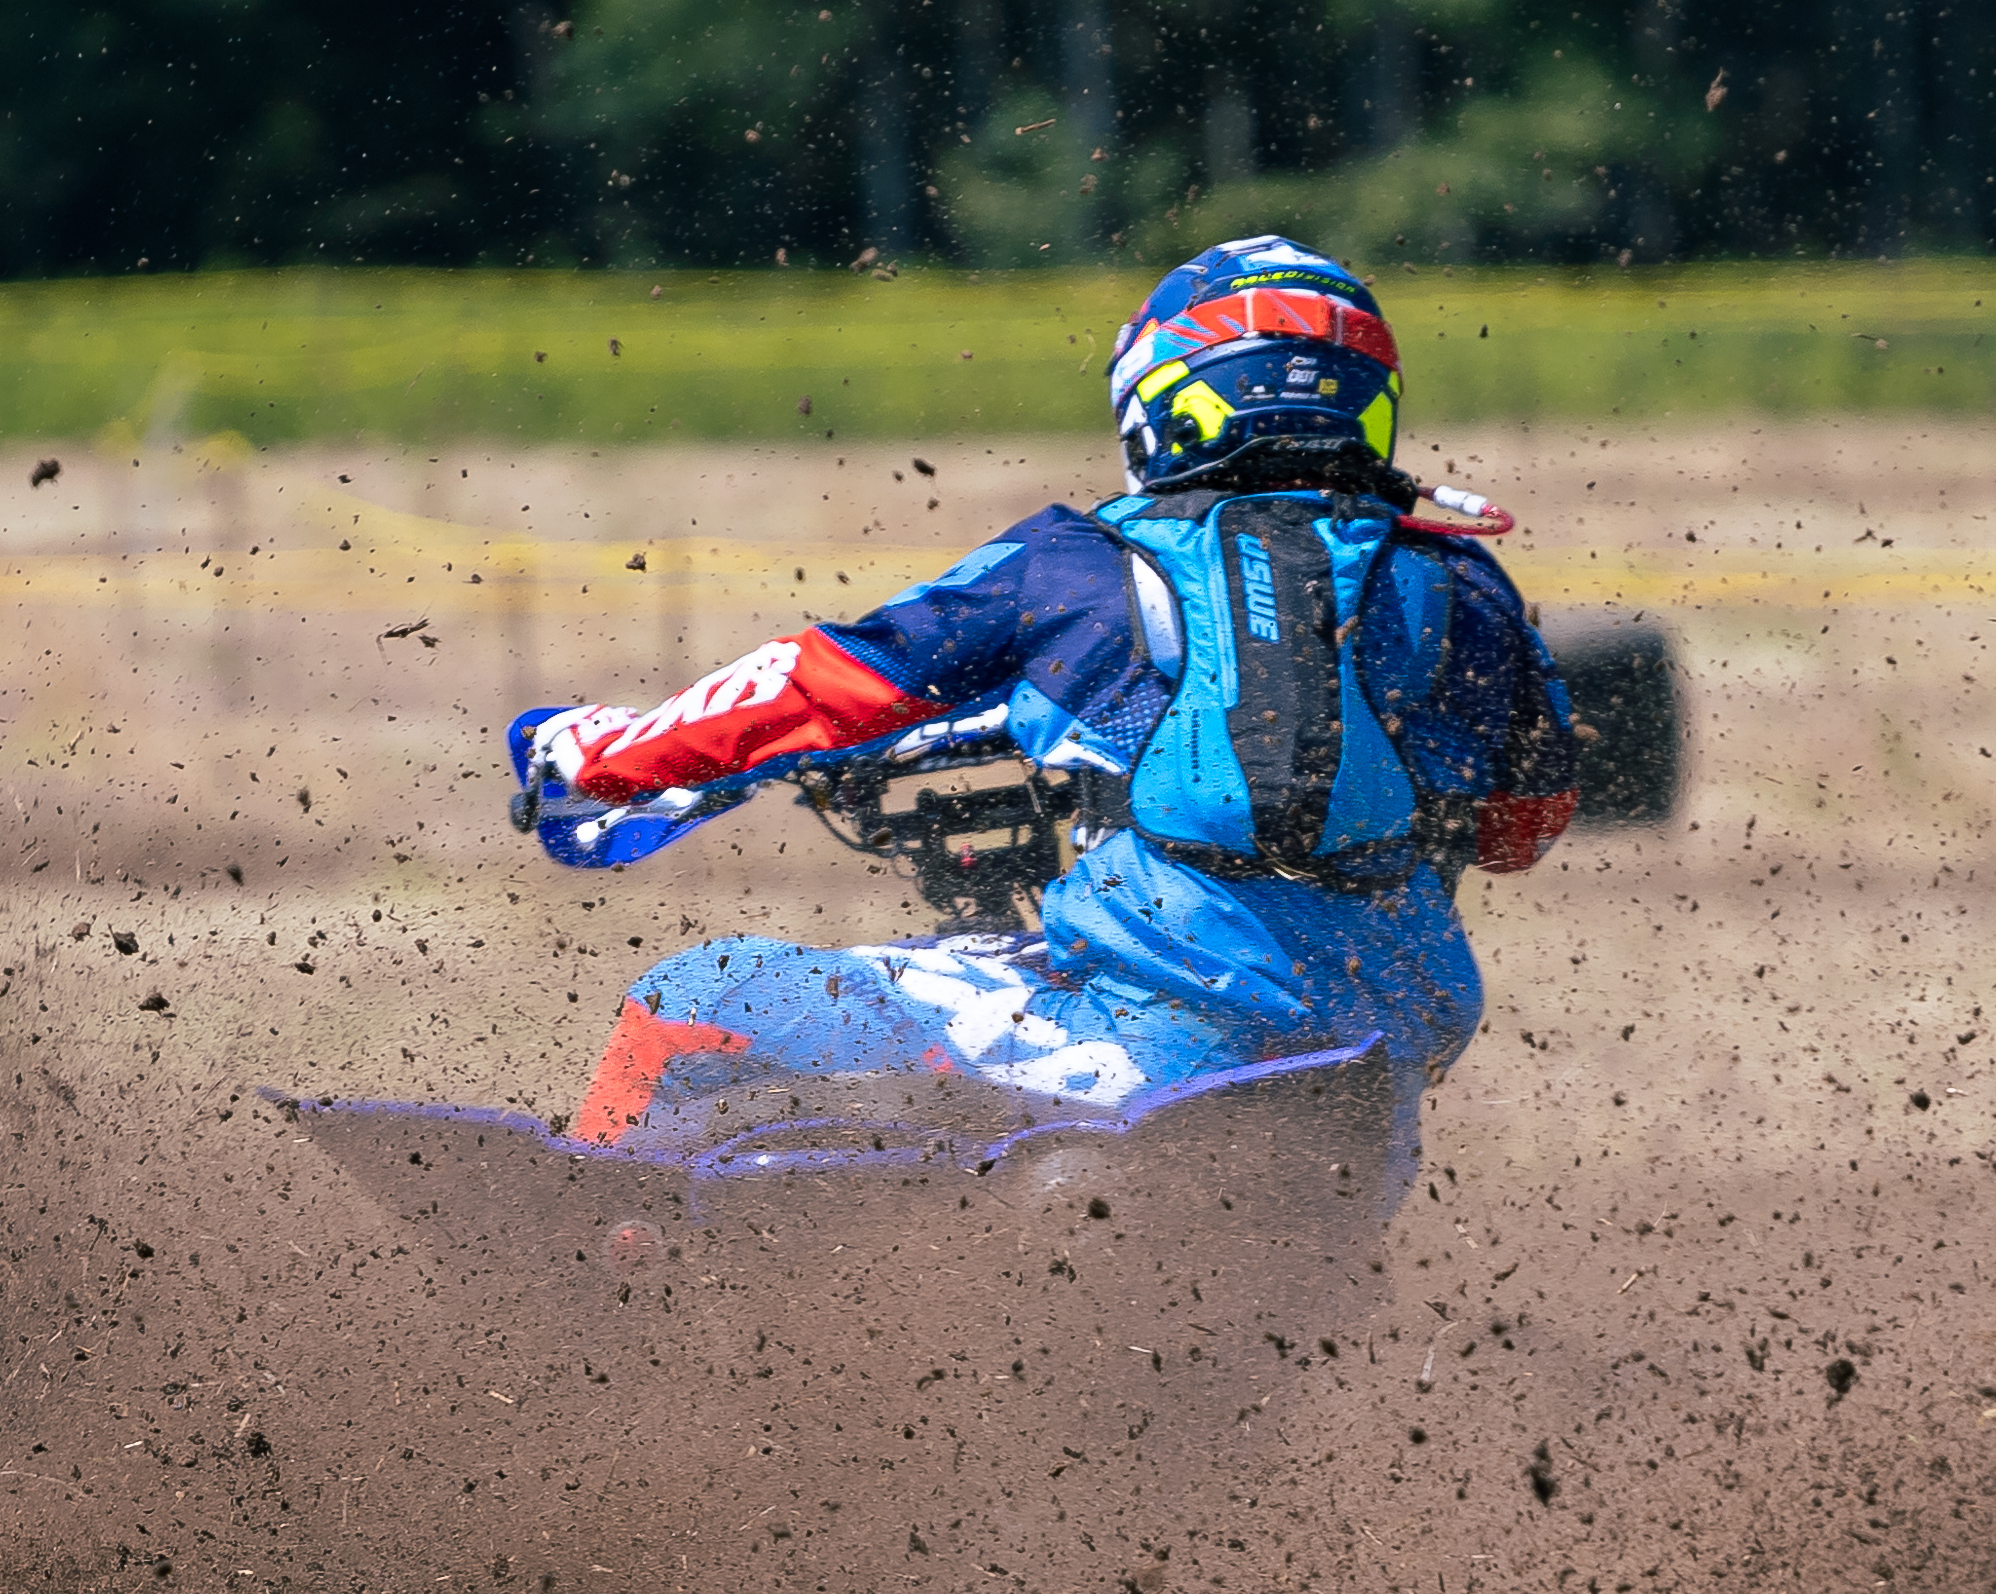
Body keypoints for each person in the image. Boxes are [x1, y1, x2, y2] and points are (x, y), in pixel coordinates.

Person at [506, 237, 1579, 1182]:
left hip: (1137, 1057)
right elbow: (1519, 832)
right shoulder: (1468, 588)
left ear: (1168, 398)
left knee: (694, 990)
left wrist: (594, 758)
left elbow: (820, 687)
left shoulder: (1079, 565)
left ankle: (584, 1277)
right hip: (1372, 1074)